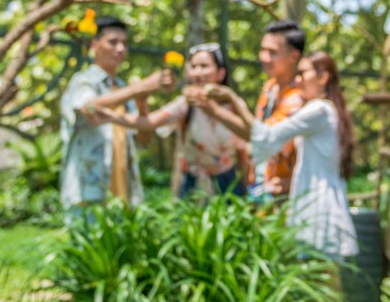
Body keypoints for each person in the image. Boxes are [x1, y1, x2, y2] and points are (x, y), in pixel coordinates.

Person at [197, 50, 358, 260]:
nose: (297, 81)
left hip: (319, 207)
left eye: (303, 74)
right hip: (317, 203)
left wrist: (233, 100)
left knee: (322, 273)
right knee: (319, 273)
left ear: (323, 77)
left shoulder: (318, 109)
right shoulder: (326, 110)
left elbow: (268, 136)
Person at [94, 42, 249, 199]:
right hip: (192, 183)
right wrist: (110, 116)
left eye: (204, 66)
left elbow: (245, 146)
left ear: (220, 73)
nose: (197, 72)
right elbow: (150, 122)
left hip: (227, 182)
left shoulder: (234, 105)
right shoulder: (186, 103)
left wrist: (248, 184)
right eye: (193, 67)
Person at [58, 16, 174, 216]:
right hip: (88, 193)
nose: (120, 49)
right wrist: (139, 88)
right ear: (94, 44)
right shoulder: (83, 81)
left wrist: (141, 101)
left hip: (124, 195)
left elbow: (144, 139)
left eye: (124, 43)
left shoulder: (123, 88)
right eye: (113, 42)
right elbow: (88, 109)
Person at [250, 19, 305, 199]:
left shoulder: (300, 97)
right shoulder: (270, 87)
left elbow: (265, 135)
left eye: (272, 52)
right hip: (262, 184)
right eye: (263, 50)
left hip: (288, 194)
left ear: (293, 56)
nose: (264, 57)